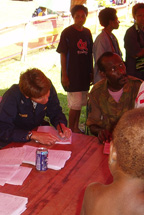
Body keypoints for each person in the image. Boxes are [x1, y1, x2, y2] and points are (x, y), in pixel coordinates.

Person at [0, 68, 71, 147]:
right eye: (40, 98)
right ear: (27, 96)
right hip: (12, 143)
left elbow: (55, 111)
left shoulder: (46, 86)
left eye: (47, 94)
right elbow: (0, 130)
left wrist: (61, 125)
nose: (46, 100)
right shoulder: (12, 95)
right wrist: (32, 135)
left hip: (35, 140)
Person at [87, 52, 143, 144]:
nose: (121, 71)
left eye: (121, 65)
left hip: (133, 143)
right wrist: (100, 132)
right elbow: (93, 123)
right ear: (103, 74)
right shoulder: (97, 92)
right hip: (108, 145)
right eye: (113, 69)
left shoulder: (138, 87)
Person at [57, 5, 93, 133]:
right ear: (73, 17)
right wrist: (64, 75)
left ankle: (76, 127)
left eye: (82, 16)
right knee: (74, 104)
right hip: (72, 74)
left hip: (84, 74)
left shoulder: (87, 32)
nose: (80, 19)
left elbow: (90, 54)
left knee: (80, 104)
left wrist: (91, 72)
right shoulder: (67, 33)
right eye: (77, 16)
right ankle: (71, 128)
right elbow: (62, 54)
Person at [124, 3, 144, 105]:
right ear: (134, 16)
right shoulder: (131, 33)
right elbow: (138, 53)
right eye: (139, 15)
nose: (143, 18)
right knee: (134, 100)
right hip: (134, 74)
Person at [92, 7, 122, 84]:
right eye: (116, 19)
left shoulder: (112, 37)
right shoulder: (101, 39)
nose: (118, 21)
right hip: (104, 81)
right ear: (110, 22)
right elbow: (101, 63)